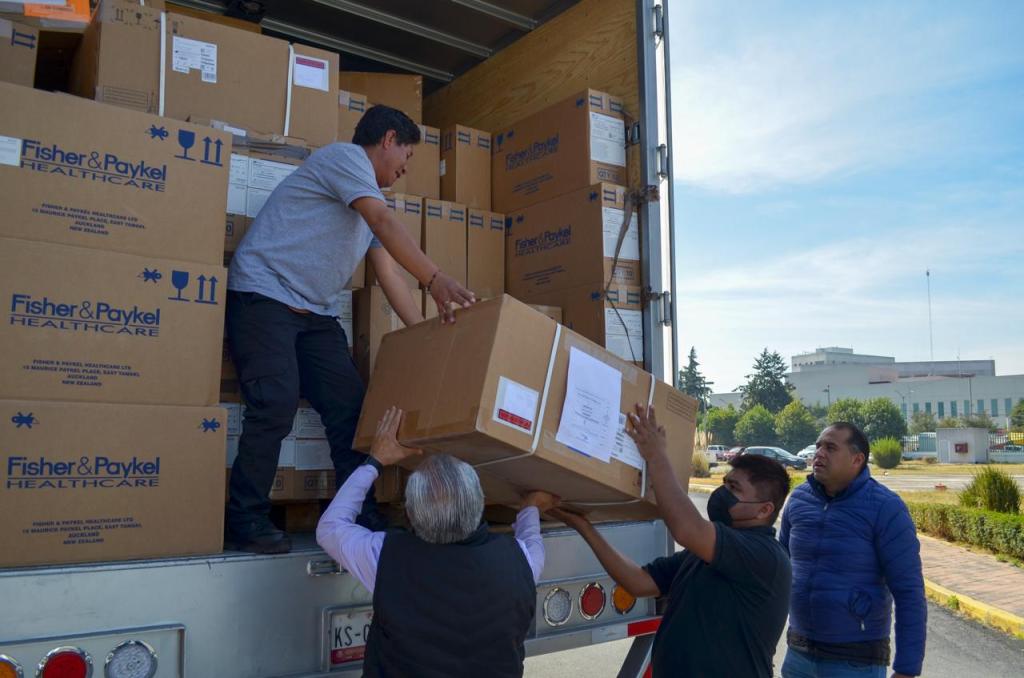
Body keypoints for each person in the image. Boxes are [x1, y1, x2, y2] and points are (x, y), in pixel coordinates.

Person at [224, 105, 475, 553]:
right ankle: (245, 519)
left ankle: (359, 511)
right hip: (263, 297)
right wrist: (436, 280)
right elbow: (384, 223)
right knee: (275, 403)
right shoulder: (344, 160)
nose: (404, 168)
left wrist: (427, 334)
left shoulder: (369, 200)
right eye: (407, 155)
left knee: (352, 410)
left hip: (313, 313)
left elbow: (387, 274)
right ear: (387, 139)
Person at [551, 404, 792, 677]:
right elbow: (638, 582)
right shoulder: (703, 554)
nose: (722, 492)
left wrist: (656, 456)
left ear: (764, 509)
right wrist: (584, 527)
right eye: (724, 483)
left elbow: (686, 529)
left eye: (734, 488)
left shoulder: (764, 556)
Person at [317, 407, 559, 678]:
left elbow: (330, 527)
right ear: (479, 506)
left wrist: (375, 461)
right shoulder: (521, 561)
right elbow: (530, 537)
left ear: (409, 513)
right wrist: (530, 508)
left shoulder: (386, 557)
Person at [780, 423, 926, 678]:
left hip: (855, 662)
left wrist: (906, 669)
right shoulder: (799, 500)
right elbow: (778, 571)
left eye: (831, 447)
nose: (819, 454)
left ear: (857, 459)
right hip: (798, 655)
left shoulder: (886, 508)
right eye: (818, 447)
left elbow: (909, 591)